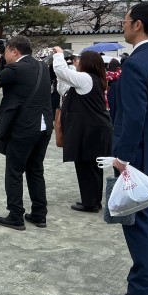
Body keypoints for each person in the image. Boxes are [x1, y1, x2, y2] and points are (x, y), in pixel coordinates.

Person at [104, 1, 148, 295]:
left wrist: (122, 158)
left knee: (138, 221)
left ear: (137, 24)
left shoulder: (136, 64)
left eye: (125, 21)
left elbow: (134, 117)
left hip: (142, 156)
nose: (122, 26)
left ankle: (144, 290)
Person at [0, 35, 53, 230]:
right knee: (36, 170)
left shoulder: (15, 69)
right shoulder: (42, 67)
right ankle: (39, 214)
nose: (3, 56)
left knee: (14, 171)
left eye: (5, 52)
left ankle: (15, 215)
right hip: (44, 125)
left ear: (15, 51)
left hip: (23, 128)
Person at [52, 48, 112, 213]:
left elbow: (61, 71)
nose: (76, 62)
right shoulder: (95, 79)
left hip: (90, 130)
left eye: (79, 60)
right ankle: (93, 200)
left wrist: (58, 53)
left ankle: (90, 203)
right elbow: (63, 85)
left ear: (88, 63)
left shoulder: (86, 78)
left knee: (86, 166)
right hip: (96, 129)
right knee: (92, 167)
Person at [106, 58, 121, 123]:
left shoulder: (108, 74)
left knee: (111, 105)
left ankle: (111, 121)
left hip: (110, 90)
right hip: (118, 90)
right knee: (117, 106)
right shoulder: (120, 73)